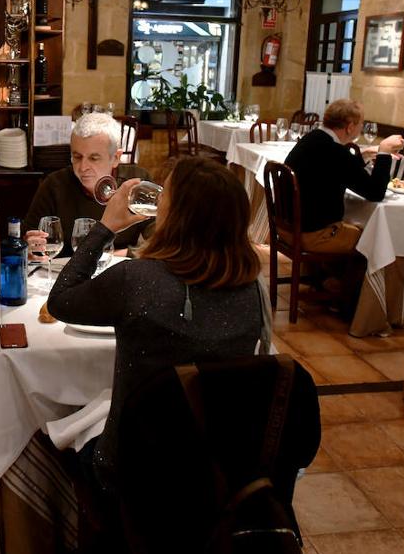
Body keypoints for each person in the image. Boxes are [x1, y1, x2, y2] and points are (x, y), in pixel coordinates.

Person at [46, 157, 271, 535]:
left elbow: (61, 300)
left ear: (175, 216)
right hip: (216, 473)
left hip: (133, 474)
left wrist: (105, 227)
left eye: (167, 199)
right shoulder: (254, 293)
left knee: (57, 439)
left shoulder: (136, 281)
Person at [284, 99, 404, 253]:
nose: (361, 127)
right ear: (350, 127)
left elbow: (338, 170)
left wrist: (364, 155)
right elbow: (375, 192)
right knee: (374, 238)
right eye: (361, 123)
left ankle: (328, 274)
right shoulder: (336, 152)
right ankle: (340, 277)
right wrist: (384, 151)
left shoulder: (312, 138)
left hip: (288, 228)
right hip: (312, 235)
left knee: (355, 225)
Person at [24, 112, 150, 255]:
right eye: (77, 157)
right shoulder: (54, 185)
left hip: (120, 270)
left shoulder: (136, 183)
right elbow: (27, 240)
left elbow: (163, 242)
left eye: (94, 158)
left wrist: (116, 255)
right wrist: (30, 247)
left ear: (116, 158)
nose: (83, 167)